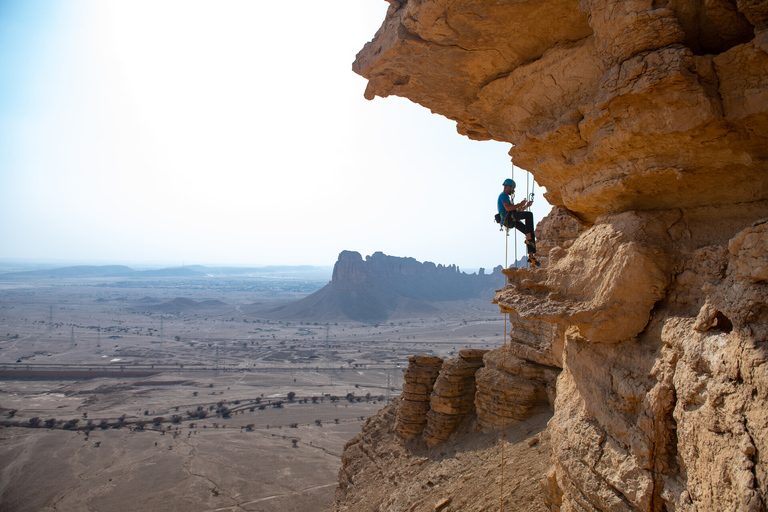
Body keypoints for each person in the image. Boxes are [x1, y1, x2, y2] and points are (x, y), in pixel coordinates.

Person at [498, 178, 540, 266]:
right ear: (508, 187)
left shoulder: (506, 197)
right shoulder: (503, 195)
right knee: (529, 215)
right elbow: (508, 208)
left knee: (529, 232)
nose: (513, 190)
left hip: (511, 218)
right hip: (508, 218)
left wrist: (525, 206)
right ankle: (529, 239)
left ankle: (531, 256)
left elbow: (517, 211)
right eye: (513, 188)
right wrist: (520, 204)